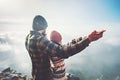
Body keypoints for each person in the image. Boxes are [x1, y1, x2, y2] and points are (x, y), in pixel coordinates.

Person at [25, 15, 105, 80]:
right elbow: (62, 51)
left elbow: (61, 47)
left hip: (36, 74)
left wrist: (86, 37)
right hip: (44, 77)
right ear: (43, 28)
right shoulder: (40, 40)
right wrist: (88, 39)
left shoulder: (28, 37)